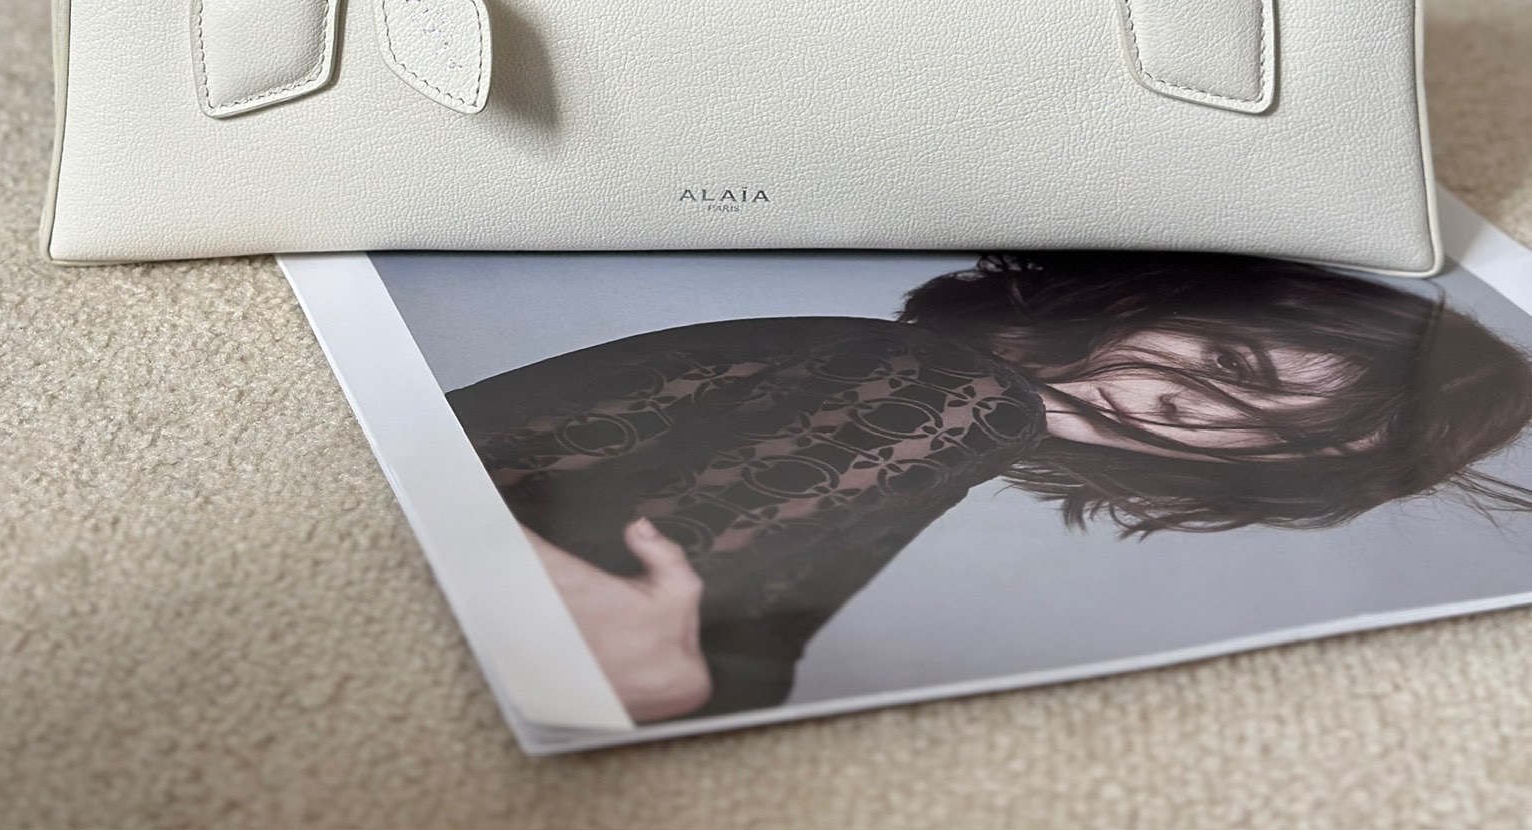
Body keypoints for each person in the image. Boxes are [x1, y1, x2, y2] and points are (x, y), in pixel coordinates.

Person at [447, 251, 1532, 723]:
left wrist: (681, 687)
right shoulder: (944, 393)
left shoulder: (916, 398)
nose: (1196, 415)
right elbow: (579, 616)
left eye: (1280, 443)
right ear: (1148, 299)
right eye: (1230, 362)